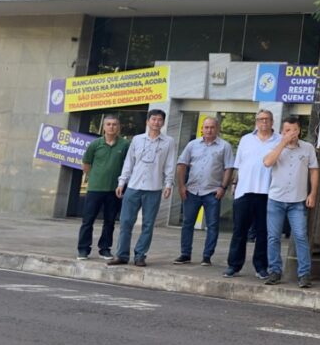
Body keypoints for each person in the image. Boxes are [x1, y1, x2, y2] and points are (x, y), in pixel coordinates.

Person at [108, 108, 177, 267]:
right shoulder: (137, 140)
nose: (156, 122)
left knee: (148, 224)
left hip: (154, 188)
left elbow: (169, 164)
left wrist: (168, 184)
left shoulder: (168, 142)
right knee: (126, 222)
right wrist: (121, 182)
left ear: (163, 122)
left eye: (159, 120)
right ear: (147, 121)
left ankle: (140, 255)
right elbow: (129, 162)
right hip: (133, 186)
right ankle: (122, 255)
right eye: (153, 119)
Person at [262, 115, 319, 288]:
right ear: (281, 131)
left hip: (297, 200)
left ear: (299, 131)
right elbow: (267, 162)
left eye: (294, 130)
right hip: (276, 199)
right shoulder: (274, 145)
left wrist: (313, 193)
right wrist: (283, 143)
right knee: (273, 237)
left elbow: (314, 170)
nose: (291, 134)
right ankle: (274, 271)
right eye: (287, 130)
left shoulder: (307, 148)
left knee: (301, 236)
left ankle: (304, 274)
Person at [224, 110, 278, 279]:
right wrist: (234, 184)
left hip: (267, 193)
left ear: (272, 121)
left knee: (263, 232)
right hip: (244, 192)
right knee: (239, 231)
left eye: (267, 119)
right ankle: (234, 265)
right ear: (256, 122)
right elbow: (238, 165)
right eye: (261, 119)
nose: (264, 122)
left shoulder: (279, 140)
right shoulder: (246, 139)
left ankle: (261, 267)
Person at [173, 116, 234, 266]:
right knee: (187, 223)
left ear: (217, 129)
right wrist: (181, 186)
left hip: (212, 192)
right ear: (202, 129)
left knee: (212, 225)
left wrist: (223, 187)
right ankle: (185, 254)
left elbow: (229, 168)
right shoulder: (192, 145)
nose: (209, 130)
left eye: (212, 127)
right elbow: (181, 164)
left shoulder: (224, 146)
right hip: (192, 191)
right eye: (206, 127)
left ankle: (207, 256)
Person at [77, 115, 129, 260]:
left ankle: (105, 248)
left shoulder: (125, 145)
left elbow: (128, 165)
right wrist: (96, 177)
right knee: (88, 220)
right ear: (104, 127)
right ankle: (83, 249)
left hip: (114, 190)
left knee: (110, 221)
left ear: (118, 127)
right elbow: (86, 165)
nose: (111, 127)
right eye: (108, 124)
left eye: (114, 124)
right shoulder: (95, 144)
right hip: (95, 189)